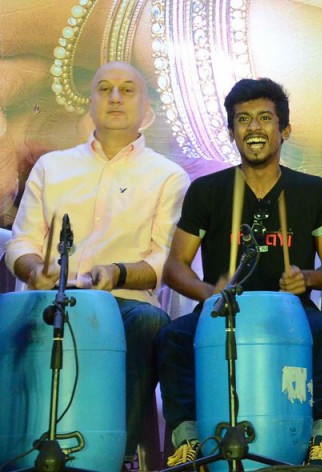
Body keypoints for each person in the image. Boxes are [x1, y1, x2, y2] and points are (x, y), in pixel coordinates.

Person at [4, 62, 190, 466]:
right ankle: (14, 452)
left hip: (121, 304)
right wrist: (35, 269)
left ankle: (112, 454)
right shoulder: (52, 167)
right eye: (104, 89)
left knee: (150, 322)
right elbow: (21, 243)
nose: (115, 98)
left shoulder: (168, 176)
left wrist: (117, 273)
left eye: (127, 90)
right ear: (90, 102)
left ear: (148, 109)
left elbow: (164, 259)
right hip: (49, 298)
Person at [155, 78, 322, 466]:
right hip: (222, 310)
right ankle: (187, 442)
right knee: (173, 337)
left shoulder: (311, 190)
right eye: (243, 119)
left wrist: (307, 278)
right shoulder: (207, 190)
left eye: (264, 118)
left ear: (284, 130)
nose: (253, 127)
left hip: (290, 312)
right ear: (231, 132)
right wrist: (209, 292)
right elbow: (174, 266)